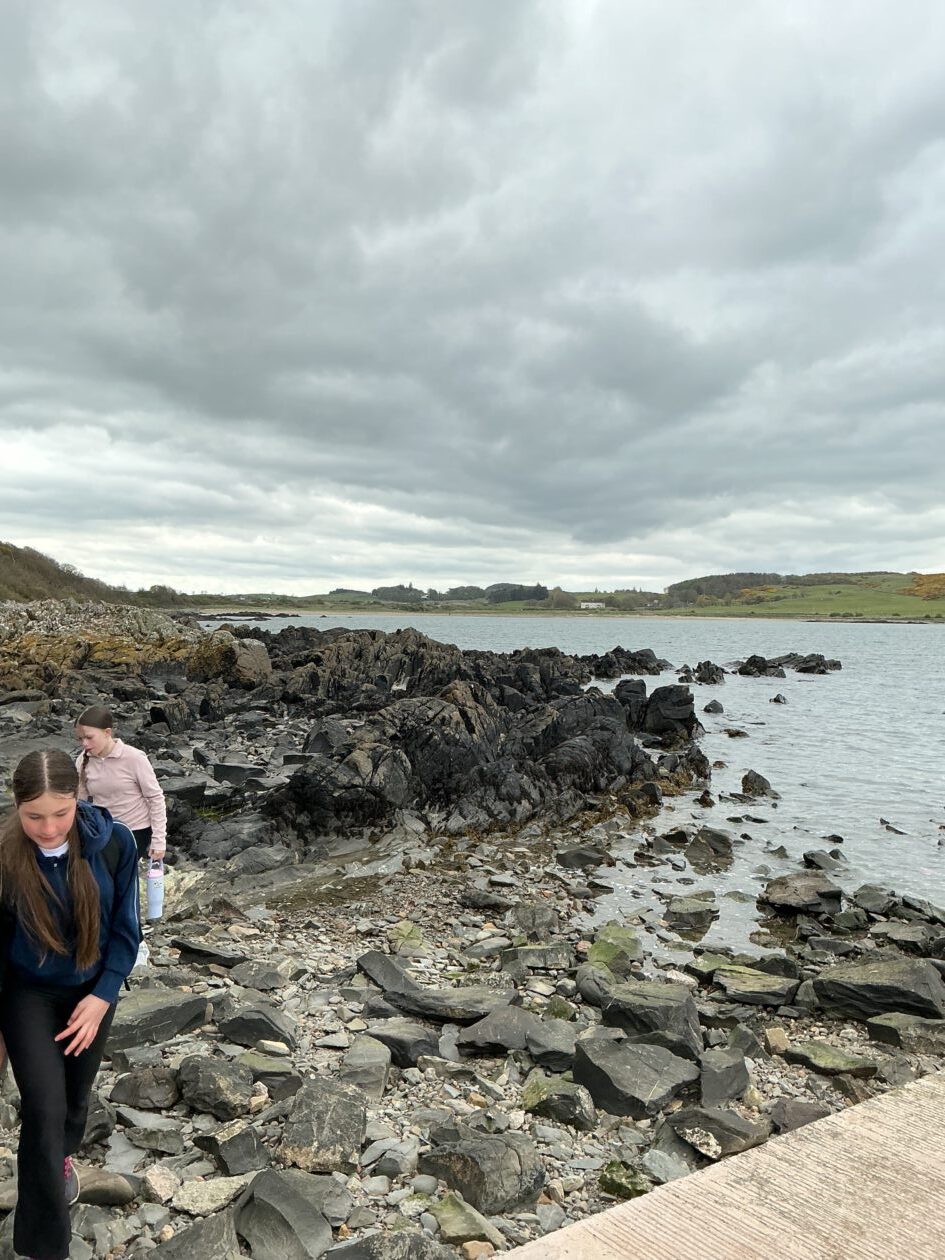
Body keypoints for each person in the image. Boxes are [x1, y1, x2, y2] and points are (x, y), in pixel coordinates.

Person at [0, 749, 139, 1260]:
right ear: (16, 806)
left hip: (91, 991)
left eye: (60, 813)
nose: (48, 828)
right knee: (44, 1108)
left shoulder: (116, 842)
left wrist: (103, 997)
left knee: (74, 1102)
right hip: (27, 993)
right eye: (33, 816)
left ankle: (60, 1160)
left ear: (77, 797)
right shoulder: (3, 854)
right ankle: (44, 1247)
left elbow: (126, 930)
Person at [74, 706, 167, 863]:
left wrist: (159, 840)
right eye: (80, 739)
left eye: (89, 737)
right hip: (102, 830)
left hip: (135, 830)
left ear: (107, 732)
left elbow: (155, 798)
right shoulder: (82, 760)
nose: (84, 743)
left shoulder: (134, 758)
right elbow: (80, 803)